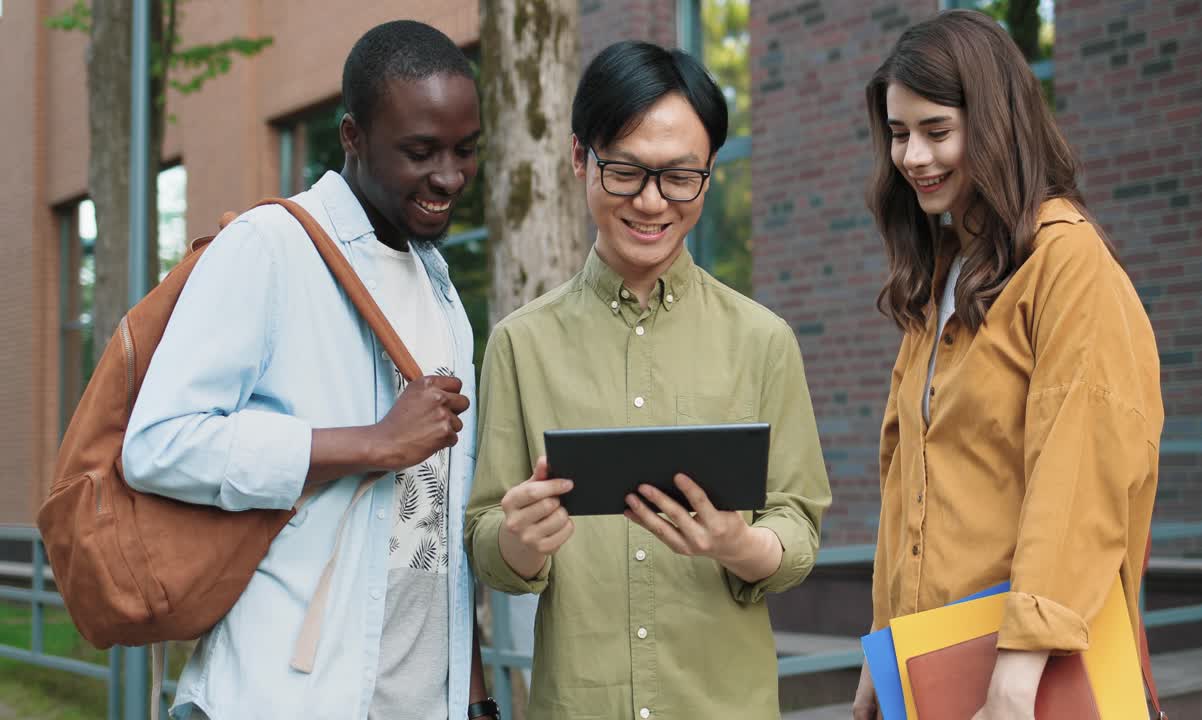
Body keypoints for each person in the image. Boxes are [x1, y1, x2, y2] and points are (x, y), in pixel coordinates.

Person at [122, 20, 498, 720]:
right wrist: (371, 443)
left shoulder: (442, 291)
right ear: (352, 137)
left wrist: (472, 693)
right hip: (280, 695)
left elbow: (436, 524)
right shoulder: (268, 248)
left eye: (465, 150)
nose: (449, 177)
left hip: (424, 699)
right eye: (420, 152)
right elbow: (157, 444)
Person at [465, 40, 831, 720]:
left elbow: (799, 527)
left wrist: (739, 544)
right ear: (580, 158)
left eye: (679, 177)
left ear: (709, 174)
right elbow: (486, 534)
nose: (652, 202)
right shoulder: (521, 343)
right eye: (626, 172)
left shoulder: (763, 341)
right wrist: (517, 542)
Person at [851, 10, 1163, 720]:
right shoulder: (942, 277)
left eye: (937, 130)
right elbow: (908, 489)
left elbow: (1079, 471)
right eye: (899, 134)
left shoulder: (1066, 261)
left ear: (995, 126)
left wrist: (1017, 677)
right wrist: (881, 645)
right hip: (933, 662)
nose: (913, 157)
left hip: (1026, 676)